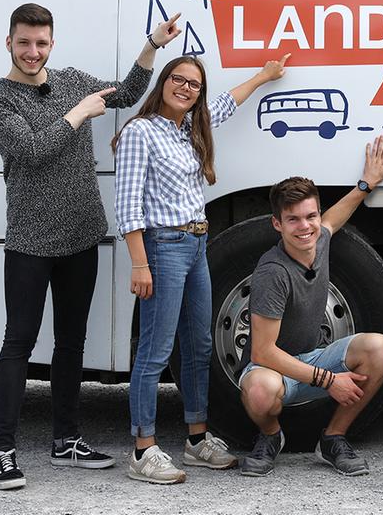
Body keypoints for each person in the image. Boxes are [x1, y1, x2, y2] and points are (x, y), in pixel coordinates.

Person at [0, 2, 177, 490]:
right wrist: (80, 112)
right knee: (18, 343)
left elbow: (129, 92)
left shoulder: (71, 79)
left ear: (52, 43)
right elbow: (31, 151)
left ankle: (66, 440)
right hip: (29, 239)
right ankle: (2, 451)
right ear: (9, 42)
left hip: (82, 234)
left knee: (71, 343)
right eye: (24, 42)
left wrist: (151, 45)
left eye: (41, 42)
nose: (33, 51)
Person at [114, 52, 290, 484]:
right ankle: (142, 449)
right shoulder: (141, 132)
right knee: (155, 350)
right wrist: (140, 263)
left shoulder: (190, 128)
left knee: (198, 347)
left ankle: (196, 440)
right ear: (163, 83)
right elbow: (126, 204)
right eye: (178, 80)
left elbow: (226, 103)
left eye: (194, 85)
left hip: (196, 244)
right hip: (163, 246)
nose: (185, 88)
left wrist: (265, 75)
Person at [236, 138, 383, 477]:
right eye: (293, 220)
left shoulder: (318, 237)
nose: (305, 226)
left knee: (381, 349)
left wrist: (366, 184)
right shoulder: (273, 272)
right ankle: (270, 436)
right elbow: (263, 353)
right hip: (273, 369)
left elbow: (333, 219)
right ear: (277, 224)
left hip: (310, 357)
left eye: (310, 216)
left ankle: (333, 438)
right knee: (259, 391)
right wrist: (329, 380)